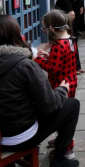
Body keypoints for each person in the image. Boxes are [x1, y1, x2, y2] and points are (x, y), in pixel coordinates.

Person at [0, 15, 80, 167]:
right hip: (20, 137)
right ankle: (60, 160)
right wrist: (62, 89)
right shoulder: (24, 65)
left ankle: (29, 156)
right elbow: (50, 104)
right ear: (15, 36)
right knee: (72, 105)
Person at [34, 9, 78, 157]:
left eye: (45, 28)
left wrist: (37, 59)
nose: (45, 31)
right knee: (66, 113)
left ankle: (67, 147)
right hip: (70, 82)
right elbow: (62, 62)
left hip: (60, 86)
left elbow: (53, 68)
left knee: (61, 114)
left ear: (52, 29)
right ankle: (63, 139)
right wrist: (48, 56)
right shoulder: (70, 39)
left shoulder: (59, 45)